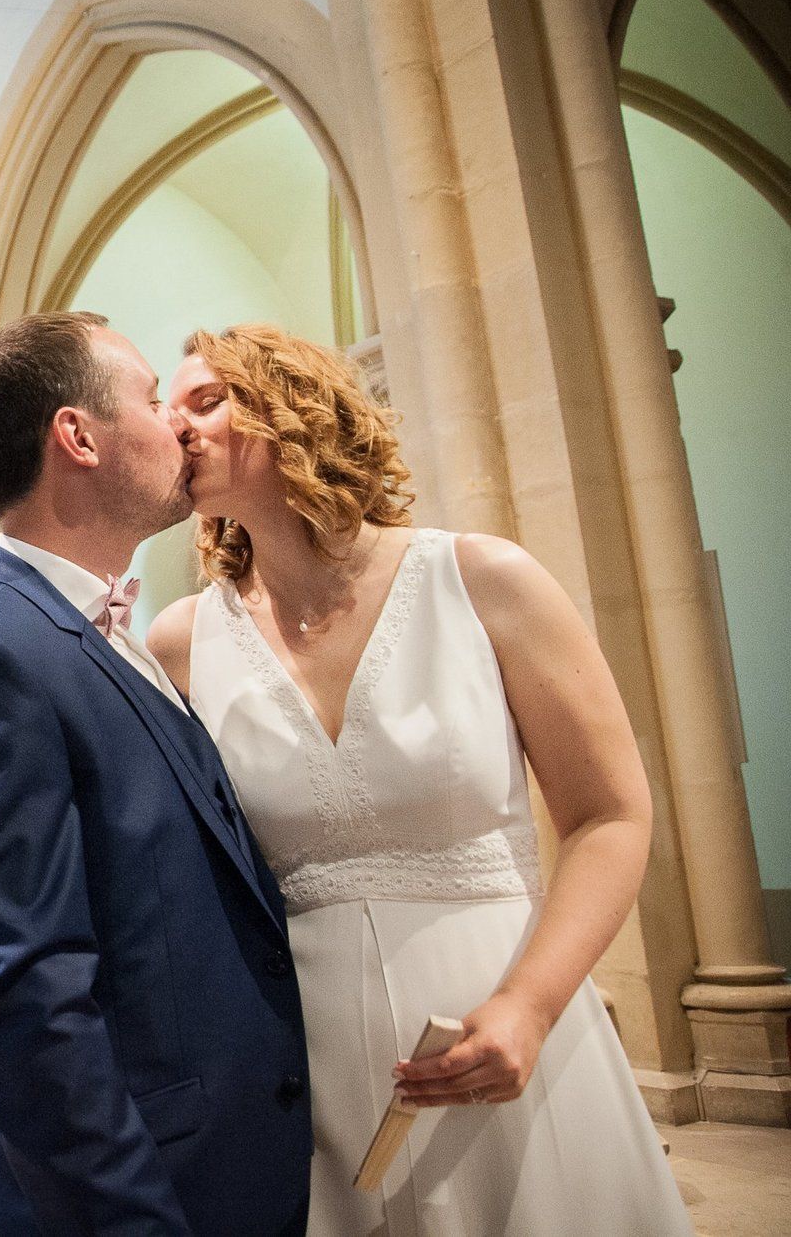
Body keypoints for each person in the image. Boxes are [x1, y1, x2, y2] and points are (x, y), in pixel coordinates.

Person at [145, 324, 690, 1236]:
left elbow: (609, 814)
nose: (179, 427)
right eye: (168, 411)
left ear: (299, 409)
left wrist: (529, 1005)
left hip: (505, 1029)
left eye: (209, 400)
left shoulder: (481, 580)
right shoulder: (182, 643)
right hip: (308, 1069)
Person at [0, 311, 311, 1236]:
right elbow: (24, 1006)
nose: (178, 427)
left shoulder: (118, 634)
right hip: (127, 1199)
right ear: (77, 436)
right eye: (155, 401)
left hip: (226, 1167)